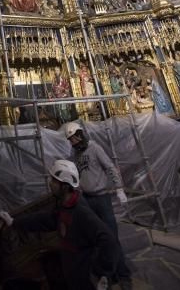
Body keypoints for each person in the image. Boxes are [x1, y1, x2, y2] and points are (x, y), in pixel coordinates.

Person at [0, 159, 119, 290]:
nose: (50, 183)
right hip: (72, 271)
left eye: (54, 181)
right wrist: (14, 222)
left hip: (84, 276)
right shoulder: (65, 205)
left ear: (65, 186)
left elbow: (108, 239)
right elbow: (46, 220)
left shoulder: (81, 212)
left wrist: (103, 274)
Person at [64, 123, 132, 290]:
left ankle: (124, 276)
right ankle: (109, 276)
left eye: (75, 137)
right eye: (70, 139)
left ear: (81, 134)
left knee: (112, 238)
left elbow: (110, 167)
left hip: (102, 199)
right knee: (97, 240)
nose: (73, 142)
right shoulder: (76, 154)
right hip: (87, 200)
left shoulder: (94, 148)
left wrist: (119, 189)